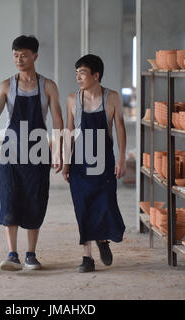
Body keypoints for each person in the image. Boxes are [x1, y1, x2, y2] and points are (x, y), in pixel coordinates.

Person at [0, 35, 63, 271]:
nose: (19, 59)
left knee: (35, 199)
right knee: (10, 199)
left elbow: (58, 121)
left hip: (38, 149)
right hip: (12, 149)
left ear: (35, 56)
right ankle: (12, 254)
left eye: (23, 55)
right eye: (15, 55)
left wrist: (59, 152)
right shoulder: (6, 86)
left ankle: (31, 255)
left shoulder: (48, 86)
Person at [62, 54, 126, 273]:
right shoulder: (72, 99)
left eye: (82, 73)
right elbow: (69, 131)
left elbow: (120, 128)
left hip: (104, 162)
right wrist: (66, 160)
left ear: (96, 75)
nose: (78, 77)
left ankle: (102, 240)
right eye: (76, 73)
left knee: (106, 204)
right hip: (79, 163)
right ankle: (86, 257)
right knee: (82, 208)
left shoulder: (112, 98)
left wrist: (121, 158)